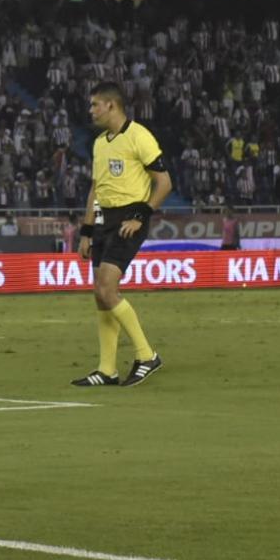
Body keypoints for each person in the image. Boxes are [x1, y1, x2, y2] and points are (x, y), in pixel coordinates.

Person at [72, 82, 171, 388]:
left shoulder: (139, 136)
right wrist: (87, 230)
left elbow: (164, 183)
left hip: (129, 220)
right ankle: (106, 369)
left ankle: (146, 355)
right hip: (103, 221)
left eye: (94, 105)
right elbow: (96, 189)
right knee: (101, 296)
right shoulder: (100, 142)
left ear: (111, 105)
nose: (91, 111)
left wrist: (141, 215)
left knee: (106, 288)